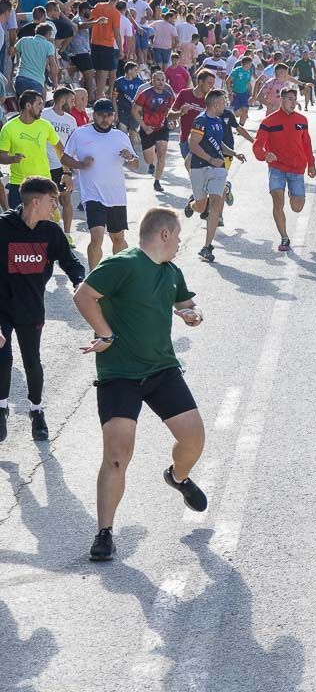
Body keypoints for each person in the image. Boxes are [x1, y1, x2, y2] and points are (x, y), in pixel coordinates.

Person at [74, 207, 209, 562]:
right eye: (178, 235)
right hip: (119, 374)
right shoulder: (124, 264)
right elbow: (83, 296)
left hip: (162, 369)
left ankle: (178, 477)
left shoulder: (171, 272)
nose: (179, 242)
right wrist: (105, 332)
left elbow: (187, 305)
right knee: (118, 455)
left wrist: (191, 315)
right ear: (164, 234)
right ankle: (104, 533)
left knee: (194, 439)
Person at [0, 177, 86, 443]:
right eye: (52, 201)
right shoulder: (3, 227)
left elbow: (71, 263)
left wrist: (79, 282)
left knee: (32, 361)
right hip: (1, 307)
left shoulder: (51, 232)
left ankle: (36, 411)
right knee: (2, 359)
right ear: (35, 201)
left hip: (32, 308)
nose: (55, 207)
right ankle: (1, 409)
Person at [60, 99, 139, 270]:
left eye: (109, 115)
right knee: (96, 237)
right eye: (101, 115)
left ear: (113, 116)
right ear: (93, 115)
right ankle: (93, 277)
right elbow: (65, 158)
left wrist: (130, 157)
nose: (105, 118)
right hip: (92, 195)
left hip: (116, 196)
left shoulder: (120, 136)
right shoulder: (80, 134)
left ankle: (120, 274)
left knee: (117, 239)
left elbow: (136, 165)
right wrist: (79, 165)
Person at [252, 88, 316, 252]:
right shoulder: (268, 121)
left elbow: (307, 143)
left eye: (295, 99)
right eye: (289, 99)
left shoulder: (302, 120)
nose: (293, 102)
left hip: (297, 168)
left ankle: (292, 193)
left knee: (297, 207)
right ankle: (285, 238)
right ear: (281, 100)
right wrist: (265, 155)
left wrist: (312, 164)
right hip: (277, 168)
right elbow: (258, 145)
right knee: (278, 203)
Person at [184, 89, 236, 262]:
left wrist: (233, 153)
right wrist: (209, 159)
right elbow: (193, 145)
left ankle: (207, 247)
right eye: (223, 102)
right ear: (215, 104)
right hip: (200, 167)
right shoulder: (200, 121)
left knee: (214, 205)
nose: (225, 105)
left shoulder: (219, 121)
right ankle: (192, 205)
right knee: (201, 207)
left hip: (218, 168)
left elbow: (218, 143)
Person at [0, 90, 62, 210]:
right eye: (39, 104)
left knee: (46, 223)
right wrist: (13, 159)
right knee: (20, 226)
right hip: (19, 184)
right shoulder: (9, 128)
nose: (42, 108)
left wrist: (66, 172)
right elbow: (1, 156)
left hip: (44, 182)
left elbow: (60, 148)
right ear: (28, 105)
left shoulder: (45, 125)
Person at [40, 87, 78, 243]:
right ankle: (46, 236)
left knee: (66, 200)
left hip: (61, 167)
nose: (73, 104)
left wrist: (69, 169)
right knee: (43, 202)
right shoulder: (43, 114)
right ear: (63, 100)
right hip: (42, 165)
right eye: (71, 100)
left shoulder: (71, 120)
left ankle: (67, 234)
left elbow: (73, 144)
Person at [132, 69, 177, 193]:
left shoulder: (168, 95)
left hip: (162, 128)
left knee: (162, 156)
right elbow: (135, 110)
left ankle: (157, 181)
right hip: (147, 129)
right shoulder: (146, 94)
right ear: (152, 81)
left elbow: (171, 110)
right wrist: (144, 126)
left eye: (163, 80)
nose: (161, 82)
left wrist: (172, 120)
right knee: (149, 159)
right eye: (158, 80)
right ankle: (152, 161)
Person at [13, 23, 59, 97]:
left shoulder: (24, 40)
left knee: (22, 106)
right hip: (37, 81)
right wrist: (55, 81)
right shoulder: (49, 46)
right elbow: (53, 65)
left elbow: (12, 52)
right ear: (48, 33)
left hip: (21, 79)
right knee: (37, 106)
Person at [228, 56, 255, 124]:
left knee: (245, 110)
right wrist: (230, 92)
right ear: (245, 64)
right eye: (250, 64)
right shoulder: (236, 70)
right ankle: (240, 118)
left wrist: (251, 94)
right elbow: (228, 80)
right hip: (235, 93)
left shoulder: (249, 72)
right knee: (237, 114)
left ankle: (241, 127)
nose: (251, 65)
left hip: (244, 94)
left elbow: (248, 83)